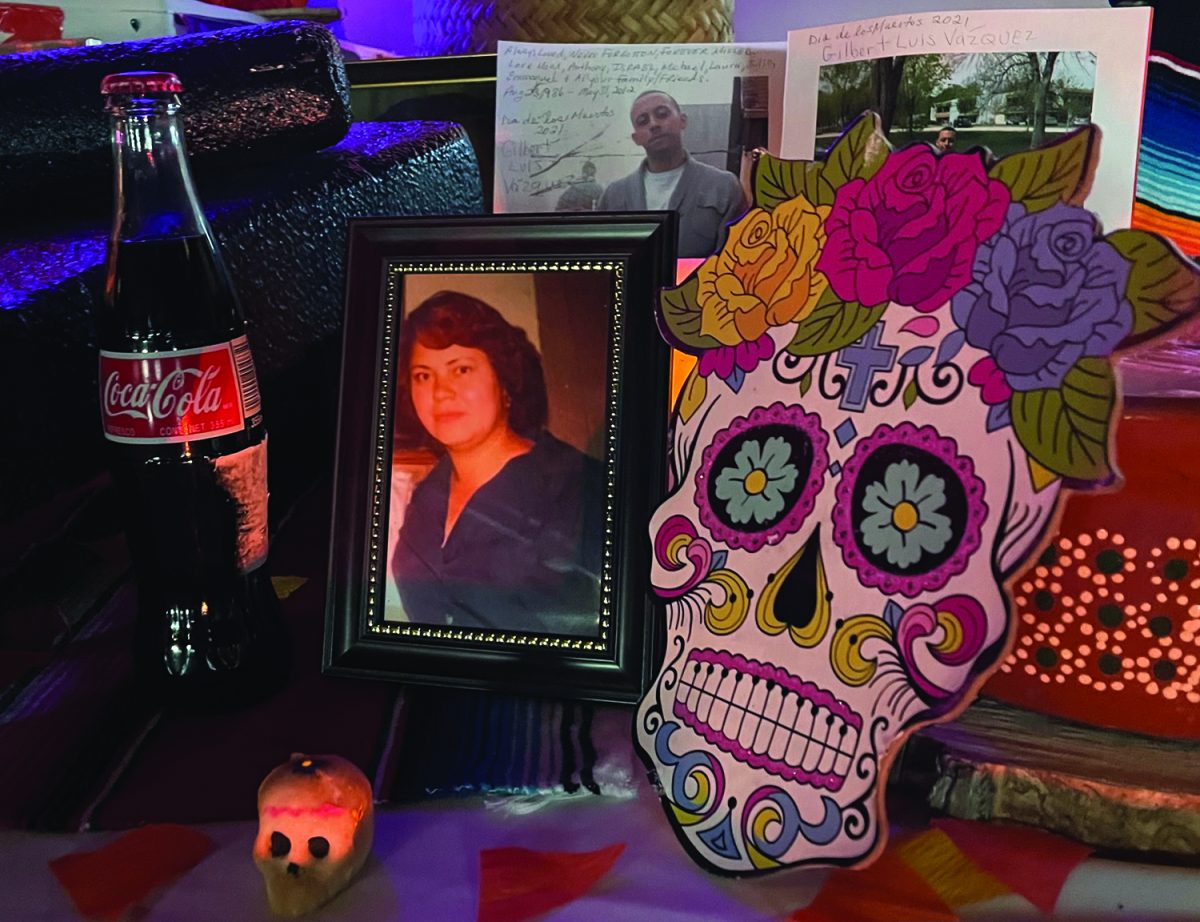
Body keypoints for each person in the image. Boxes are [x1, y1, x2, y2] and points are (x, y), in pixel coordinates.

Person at [390, 290, 603, 636]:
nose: (440, 392)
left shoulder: (582, 488)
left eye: (461, 369)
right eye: (423, 375)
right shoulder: (425, 496)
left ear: (504, 380)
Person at [598, 90, 748, 258]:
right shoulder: (614, 196)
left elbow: (735, 263)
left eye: (662, 114)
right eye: (643, 121)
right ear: (636, 138)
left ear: (682, 121)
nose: (653, 124)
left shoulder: (723, 187)